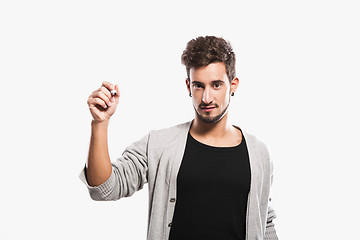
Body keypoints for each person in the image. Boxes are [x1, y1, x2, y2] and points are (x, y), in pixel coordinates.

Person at [79, 36, 278, 240]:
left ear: (233, 85)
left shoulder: (259, 153)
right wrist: (100, 123)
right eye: (198, 86)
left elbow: (264, 222)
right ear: (188, 86)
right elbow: (104, 189)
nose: (206, 98)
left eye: (216, 85)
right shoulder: (159, 144)